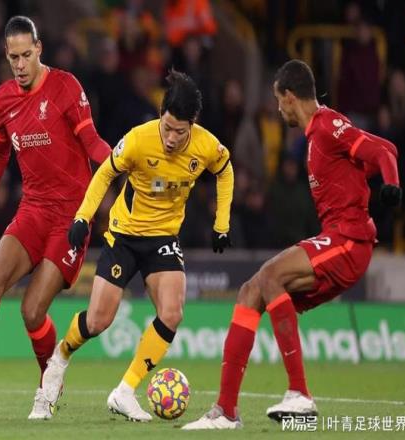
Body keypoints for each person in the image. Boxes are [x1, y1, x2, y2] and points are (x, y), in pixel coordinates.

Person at [182, 59, 402, 430]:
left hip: (350, 240)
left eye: (277, 100)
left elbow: (385, 152)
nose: (277, 108)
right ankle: (225, 411)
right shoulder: (314, 137)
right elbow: (373, 156)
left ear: (289, 96)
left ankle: (300, 393)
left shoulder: (328, 126)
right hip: (337, 239)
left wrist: (391, 184)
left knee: (270, 276)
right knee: (251, 291)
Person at [0, 16, 111, 419]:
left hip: (71, 215)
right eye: (14, 58)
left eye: (27, 55)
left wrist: (122, 161)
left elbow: (91, 141)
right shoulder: (3, 99)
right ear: (6, 56)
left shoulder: (66, 86)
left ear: (39, 49)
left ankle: (48, 384)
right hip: (32, 208)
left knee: (31, 311)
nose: (21, 65)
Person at [41, 69, 234, 422]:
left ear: (192, 125)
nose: (171, 138)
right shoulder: (138, 140)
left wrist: (221, 223)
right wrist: (83, 217)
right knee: (98, 321)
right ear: (160, 115)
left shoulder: (206, 145)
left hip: (163, 239)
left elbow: (225, 169)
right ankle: (61, 356)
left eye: (180, 131)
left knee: (172, 313)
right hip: (124, 237)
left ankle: (125, 391)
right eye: (167, 127)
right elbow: (105, 173)